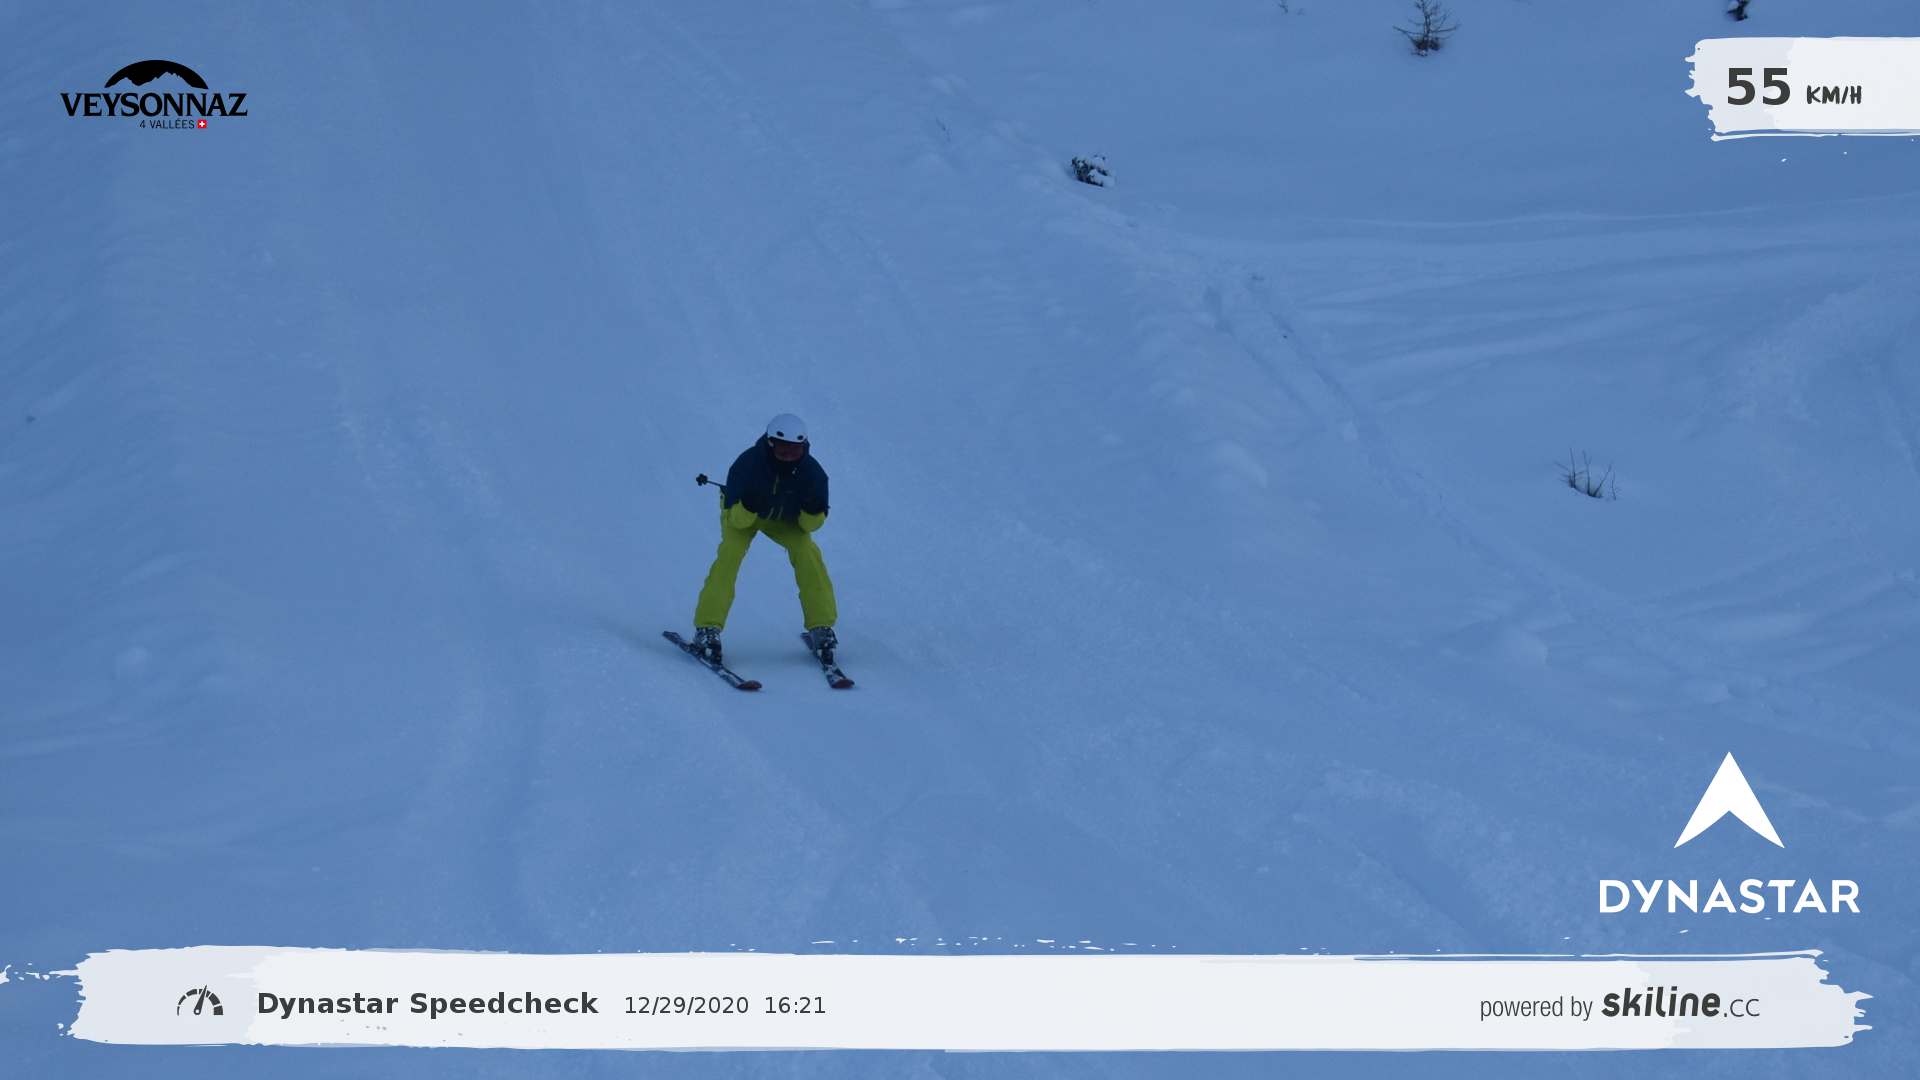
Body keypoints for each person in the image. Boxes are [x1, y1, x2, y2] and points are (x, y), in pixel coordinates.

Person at [689, 414, 837, 663]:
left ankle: (822, 626)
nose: (788, 456)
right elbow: (736, 521)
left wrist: (813, 511)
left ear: (804, 446)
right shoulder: (746, 464)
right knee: (730, 553)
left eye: (795, 450)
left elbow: (810, 526)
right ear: (770, 444)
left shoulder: (812, 472)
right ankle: (707, 628)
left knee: (806, 551)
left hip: (785, 520)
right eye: (782, 449)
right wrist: (749, 505)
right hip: (744, 516)